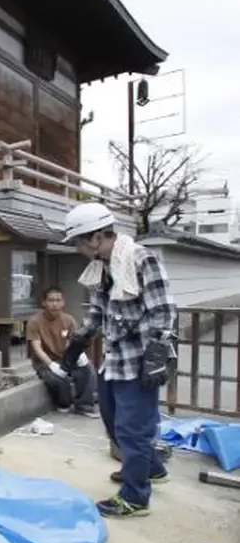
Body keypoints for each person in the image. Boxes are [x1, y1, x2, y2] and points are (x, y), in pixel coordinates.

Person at [60, 202, 177, 518]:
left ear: (96, 237)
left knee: (132, 429)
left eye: (78, 242)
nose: (77, 248)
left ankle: (135, 497)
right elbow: (98, 311)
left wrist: (156, 356)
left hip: (139, 361)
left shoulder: (141, 260)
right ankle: (151, 468)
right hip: (114, 359)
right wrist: (78, 341)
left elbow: (163, 312)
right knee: (111, 416)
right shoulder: (102, 268)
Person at [26, 286, 99, 418]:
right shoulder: (34, 322)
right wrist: (51, 365)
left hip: (65, 358)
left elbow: (74, 342)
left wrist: (80, 355)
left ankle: (84, 406)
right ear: (44, 303)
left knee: (88, 370)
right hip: (44, 362)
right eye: (51, 300)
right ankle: (64, 403)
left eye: (58, 300)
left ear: (63, 302)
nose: (55, 304)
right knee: (60, 380)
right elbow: (36, 348)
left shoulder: (69, 320)